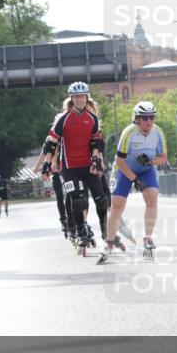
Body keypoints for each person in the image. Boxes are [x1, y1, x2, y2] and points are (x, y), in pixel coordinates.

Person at [39, 81, 109, 254]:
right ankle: (81, 233)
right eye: (76, 97)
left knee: (101, 199)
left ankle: (105, 230)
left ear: (86, 98)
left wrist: (95, 161)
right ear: (72, 99)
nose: (79, 100)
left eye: (82, 97)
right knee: (78, 201)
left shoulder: (92, 119)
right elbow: (51, 143)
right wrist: (47, 165)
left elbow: (96, 142)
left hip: (87, 166)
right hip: (69, 167)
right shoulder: (63, 119)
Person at [99, 101, 166, 264]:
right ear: (137, 119)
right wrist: (134, 180)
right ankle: (109, 243)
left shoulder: (157, 132)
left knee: (152, 198)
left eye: (152, 117)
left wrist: (150, 163)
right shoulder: (129, 133)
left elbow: (163, 157)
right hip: (123, 169)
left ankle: (148, 238)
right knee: (117, 205)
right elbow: (121, 162)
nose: (149, 121)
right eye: (144, 118)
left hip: (145, 169)